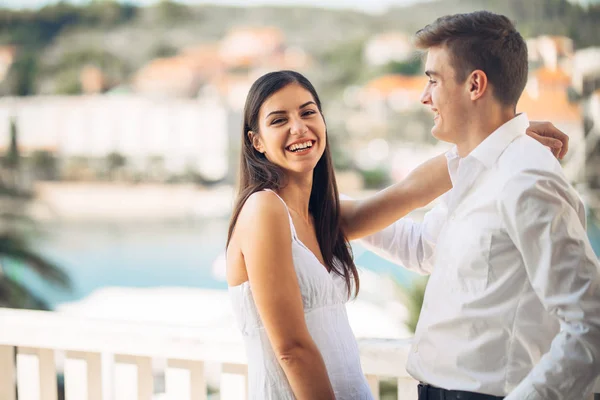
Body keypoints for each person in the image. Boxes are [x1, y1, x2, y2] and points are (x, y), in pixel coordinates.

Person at [226, 69, 570, 399]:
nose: (299, 128)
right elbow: (291, 349)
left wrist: (503, 140)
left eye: (308, 112)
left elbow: (410, 191)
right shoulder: (263, 209)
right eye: (279, 120)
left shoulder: (324, 214)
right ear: (255, 141)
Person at [352, 11, 600, 400]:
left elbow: (591, 325)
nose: (424, 96)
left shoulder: (527, 179)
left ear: (475, 84)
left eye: (433, 79)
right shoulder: (474, 171)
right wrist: (320, 203)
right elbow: (420, 248)